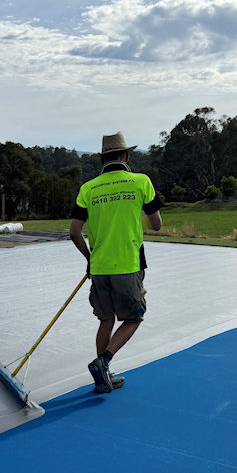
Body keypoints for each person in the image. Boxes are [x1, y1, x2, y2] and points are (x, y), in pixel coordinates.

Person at [69, 132, 163, 393]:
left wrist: (90, 259)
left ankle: (103, 379)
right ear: (127, 156)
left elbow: (74, 232)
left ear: (101, 159)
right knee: (135, 317)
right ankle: (103, 362)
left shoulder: (88, 188)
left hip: (99, 267)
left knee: (106, 320)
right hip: (127, 265)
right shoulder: (141, 181)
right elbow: (157, 225)